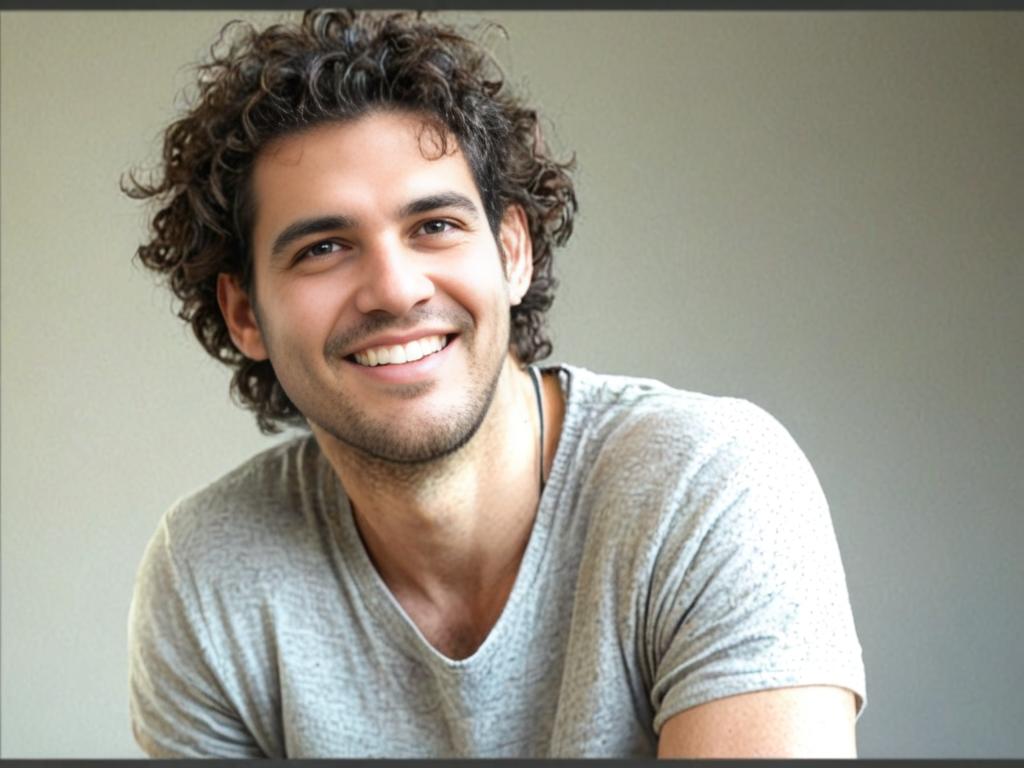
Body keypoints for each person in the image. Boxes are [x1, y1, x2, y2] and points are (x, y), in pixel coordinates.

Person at [125, 9, 865, 758]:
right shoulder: (210, 573)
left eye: (435, 226)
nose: (394, 288)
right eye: (323, 247)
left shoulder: (706, 486)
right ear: (245, 314)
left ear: (513, 251)